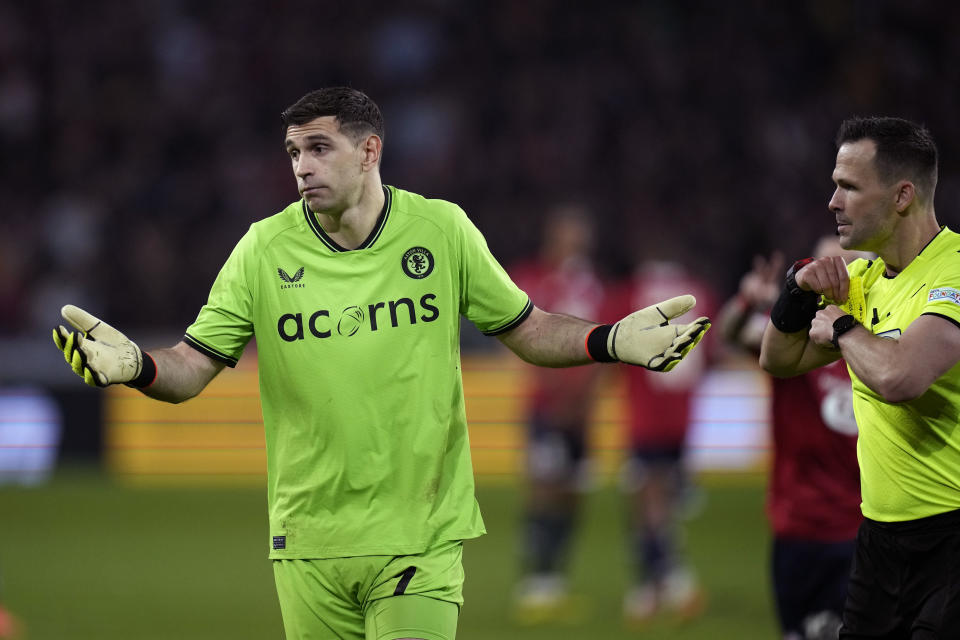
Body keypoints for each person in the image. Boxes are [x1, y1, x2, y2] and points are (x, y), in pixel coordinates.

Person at [51, 87, 710, 640]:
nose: (301, 167)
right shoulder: (261, 250)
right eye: (293, 153)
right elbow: (193, 365)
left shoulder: (441, 230)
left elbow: (529, 327)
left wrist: (608, 341)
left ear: (370, 152)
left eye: (318, 148)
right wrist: (138, 367)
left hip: (416, 534)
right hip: (306, 542)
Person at [759, 116, 960, 638]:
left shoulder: (953, 273)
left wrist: (843, 326)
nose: (833, 201)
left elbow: (901, 377)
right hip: (878, 542)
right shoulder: (865, 280)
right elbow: (777, 360)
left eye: (849, 186)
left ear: (901, 196)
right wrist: (797, 292)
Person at [717, 236, 864, 640]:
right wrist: (748, 301)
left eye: (845, 266)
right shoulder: (793, 341)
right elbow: (729, 336)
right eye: (824, 267)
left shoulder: (883, 342)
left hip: (868, 527)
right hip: (800, 526)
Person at [508, 206, 609, 622]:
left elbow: (606, 344)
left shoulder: (592, 286)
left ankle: (556, 582)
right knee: (544, 489)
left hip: (582, 414)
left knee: (571, 496)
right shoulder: (532, 278)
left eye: (581, 237)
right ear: (553, 238)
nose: (577, 244)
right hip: (546, 411)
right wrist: (554, 394)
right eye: (570, 236)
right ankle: (535, 581)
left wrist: (588, 399)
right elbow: (526, 338)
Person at [617, 255, 716, 624]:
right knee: (659, 502)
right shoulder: (698, 292)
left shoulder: (630, 294)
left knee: (648, 501)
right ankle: (657, 584)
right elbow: (713, 352)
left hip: (647, 417)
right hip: (682, 417)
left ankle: (666, 580)